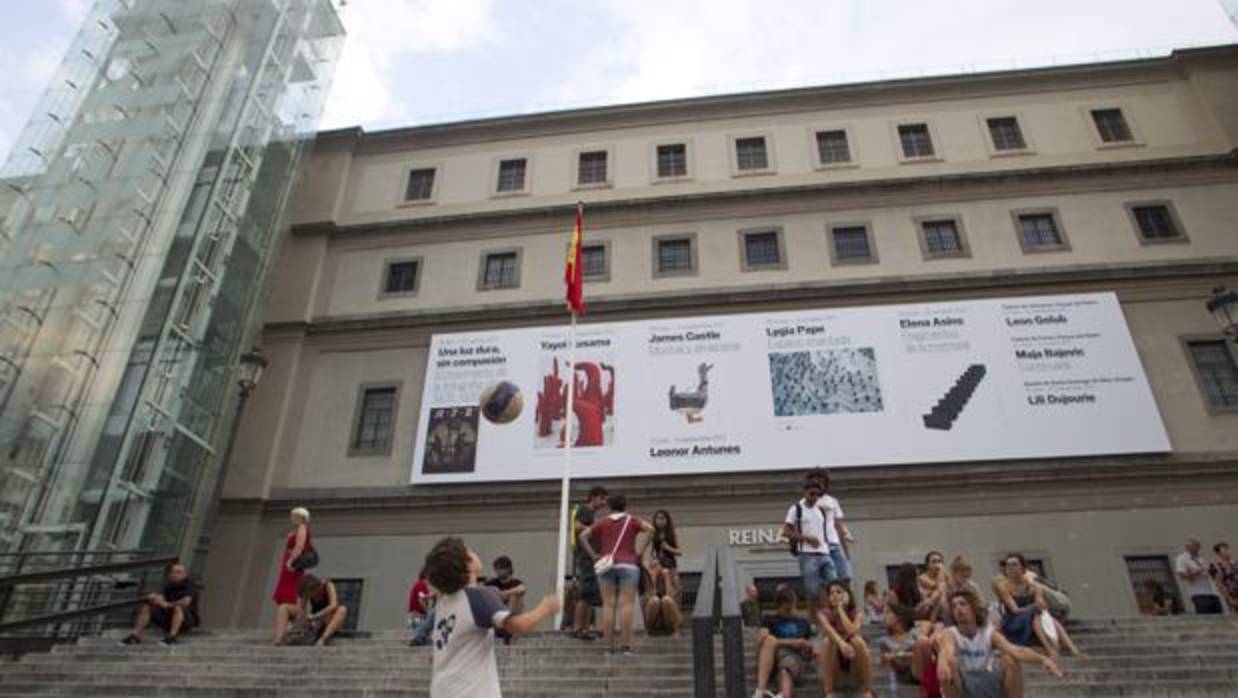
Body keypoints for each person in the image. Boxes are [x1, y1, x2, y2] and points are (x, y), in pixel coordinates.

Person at [424, 536, 559, 698]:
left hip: (441, 689)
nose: (474, 553)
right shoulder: (478, 596)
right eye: (469, 551)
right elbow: (518, 626)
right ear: (467, 565)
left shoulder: (443, 603)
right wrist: (545, 608)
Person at [935, 590, 1064, 698]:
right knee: (950, 662)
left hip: (986, 680)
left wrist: (1042, 659)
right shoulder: (950, 633)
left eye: (962, 604)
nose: (958, 608)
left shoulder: (989, 633)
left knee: (1010, 660)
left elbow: (1015, 650)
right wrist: (942, 662)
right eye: (954, 606)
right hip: (962, 684)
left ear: (973, 607)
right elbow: (947, 650)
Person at [580, 492, 653, 655]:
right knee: (626, 604)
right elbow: (651, 529)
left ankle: (608, 647)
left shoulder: (602, 522)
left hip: (607, 565)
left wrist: (594, 556)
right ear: (625, 505)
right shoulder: (632, 520)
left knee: (608, 604)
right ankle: (626, 646)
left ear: (610, 506)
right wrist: (640, 552)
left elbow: (583, 535)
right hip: (629, 564)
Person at [992, 553, 1080, 658]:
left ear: (1023, 568)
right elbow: (1015, 610)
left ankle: (1071, 648)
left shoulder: (1034, 586)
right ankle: (1051, 649)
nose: (1010, 568)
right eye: (1007, 565)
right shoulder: (1004, 587)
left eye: (1014, 564)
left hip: (1032, 619)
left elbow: (1042, 604)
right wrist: (1035, 606)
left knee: (1044, 617)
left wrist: (1039, 603)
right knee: (1036, 614)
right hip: (1013, 621)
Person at [752, 584, 814, 698]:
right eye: (786, 609)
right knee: (769, 640)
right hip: (771, 656)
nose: (790, 611)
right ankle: (760, 691)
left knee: (786, 668)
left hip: (793, 657)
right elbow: (761, 639)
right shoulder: (769, 619)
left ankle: (783, 695)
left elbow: (810, 648)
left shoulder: (803, 622)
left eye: (792, 607)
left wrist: (806, 646)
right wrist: (793, 642)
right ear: (778, 607)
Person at [782, 480, 836, 610]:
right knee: (812, 591)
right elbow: (786, 531)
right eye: (812, 494)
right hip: (807, 554)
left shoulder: (821, 511)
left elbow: (823, 531)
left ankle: (829, 614)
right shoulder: (796, 509)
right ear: (805, 493)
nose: (815, 497)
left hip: (824, 553)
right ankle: (816, 620)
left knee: (834, 585)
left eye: (818, 495)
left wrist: (828, 544)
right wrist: (807, 538)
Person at [816, 581, 873, 698]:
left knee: (857, 641)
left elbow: (853, 631)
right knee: (827, 642)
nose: (834, 595)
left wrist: (841, 609)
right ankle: (829, 691)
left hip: (854, 667)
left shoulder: (857, 612)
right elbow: (829, 631)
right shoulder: (823, 614)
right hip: (835, 667)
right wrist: (841, 643)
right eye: (831, 593)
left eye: (838, 592)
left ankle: (867, 690)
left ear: (847, 595)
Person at [121, 561, 199, 646]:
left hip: (185, 621)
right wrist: (154, 597)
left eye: (179, 572)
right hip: (167, 618)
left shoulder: (190, 585)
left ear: (185, 574)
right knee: (147, 607)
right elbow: (160, 597)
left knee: (178, 607)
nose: (175, 574)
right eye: (172, 572)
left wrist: (167, 604)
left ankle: (172, 637)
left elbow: (185, 602)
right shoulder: (168, 584)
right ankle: (135, 636)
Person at [570, 485, 607, 640]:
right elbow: (577, 526)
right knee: (585, 594)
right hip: (585, 558)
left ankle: (585, 629)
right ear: (594, 497)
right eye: (602, 498)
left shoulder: (590, 513)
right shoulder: (585, 510)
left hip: (589, 559)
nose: (604, 502)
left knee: (590, 594)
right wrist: (593, 529)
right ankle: (579, 628)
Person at [271, 507, 312, 644]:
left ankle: (282, 634)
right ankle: (283, 630)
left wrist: (291, 561)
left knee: (290, 594)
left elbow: (299, 547)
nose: (291, 518)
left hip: (292, 565)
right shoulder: (296, 529)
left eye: (294, 516)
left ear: (301, 517)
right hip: (289, 565)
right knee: (284, 597)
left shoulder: (302, 528)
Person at [806, 468, 853, 583]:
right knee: (827, 581)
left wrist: (846, 552)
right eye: (816, 482)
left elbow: (839, 526)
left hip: (834, 545)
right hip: (819, 548)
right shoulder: (806, 502)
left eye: (822, 482)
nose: (820, 485)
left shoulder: (832, 501)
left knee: (844, 577)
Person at [278, 575, 348, 646]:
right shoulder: (307, 590)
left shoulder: (328, 585)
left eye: (312, 594)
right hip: (314, 621)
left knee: (342, 609)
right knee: (283, 607)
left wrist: (315, 615)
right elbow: (301, 609)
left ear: (317, 587)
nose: (312, 596)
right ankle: (279, 640)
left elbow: (333, 605)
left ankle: (322, 640)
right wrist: (300, 621)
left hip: (329, 619)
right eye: (309, 595)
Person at [484, 556, 526, 644]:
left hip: (512, 619)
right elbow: (482, 591)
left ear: (508, 569)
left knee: (515, 595)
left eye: (500, 569)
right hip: (497, 618)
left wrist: (505, 593)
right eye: (496, 569)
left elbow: (522, 589)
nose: (497, 571)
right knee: (490, 593)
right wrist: (496, 594)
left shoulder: (516, 583)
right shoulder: (492, 583)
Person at [639, 509, 681, 596]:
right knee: (654, 573)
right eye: (658, 518)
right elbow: (644, 547)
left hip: (670, 562)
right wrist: (648, 559)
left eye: (662, 518)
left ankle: (670, 597)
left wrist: (668, 548)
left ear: (667, 520)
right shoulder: (653, 533)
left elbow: (679, 552)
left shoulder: (672, 533)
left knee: (675, 583)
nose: (660, 521)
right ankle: (653, 593)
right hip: (658, 561)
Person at [877, 603, 919, 689]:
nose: (883, 616)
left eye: (887, 612)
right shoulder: (884, 641)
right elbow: (886, 664)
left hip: (919, 674)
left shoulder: (914, 634)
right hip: (901, 680)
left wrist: (896, 654)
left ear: (898, 617)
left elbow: (921, 656)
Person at [1176, 538, 1222, 614]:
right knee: (1206, 618)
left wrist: (1213, 571)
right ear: (1187, 547)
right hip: (1199, 594)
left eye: (1198, 547)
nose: (1198, 549)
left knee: (1220, 618)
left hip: (1212, 592)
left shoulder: (1201, 558)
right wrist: (1196, 572)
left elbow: (1209, 573)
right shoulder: (1182, 558)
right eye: (1195, 546)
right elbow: (1182, 575)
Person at [641, 558, 683, 639]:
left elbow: (672, 598)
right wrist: (653, 578)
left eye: (656, 566)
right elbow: (649, 598)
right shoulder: (648, 581)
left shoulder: (674, 578)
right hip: (657, 621)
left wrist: (667, 578)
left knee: (666, 599)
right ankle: (648, 631)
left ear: (662, 567)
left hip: (670, 619)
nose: (655, 569)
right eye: (652, 567)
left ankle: (676, 631)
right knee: (654, 600)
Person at [919, 551, 949, 622]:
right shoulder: (921, 579)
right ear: (927, 565)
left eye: (939, 562)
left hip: (944, 617)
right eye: (934, 562)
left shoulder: (947, 578)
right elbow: (936, 586)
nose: (937, 565)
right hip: (926, 617)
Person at [1208, 541, 1238, 612]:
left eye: (1227, 549)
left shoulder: (1235, 563)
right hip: (1233, 594)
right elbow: (1219, 584)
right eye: (1224, 550)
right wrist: (1229, 598)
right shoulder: (1215, 566)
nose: (1228, 552)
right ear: (1218, 553)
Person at [408, 568, 434, 645]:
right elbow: (421, 599)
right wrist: (427, 612)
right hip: (418, 616)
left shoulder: (420, 584)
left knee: (426, 639)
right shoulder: (421, 584)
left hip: (416, 616)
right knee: (425, 639)